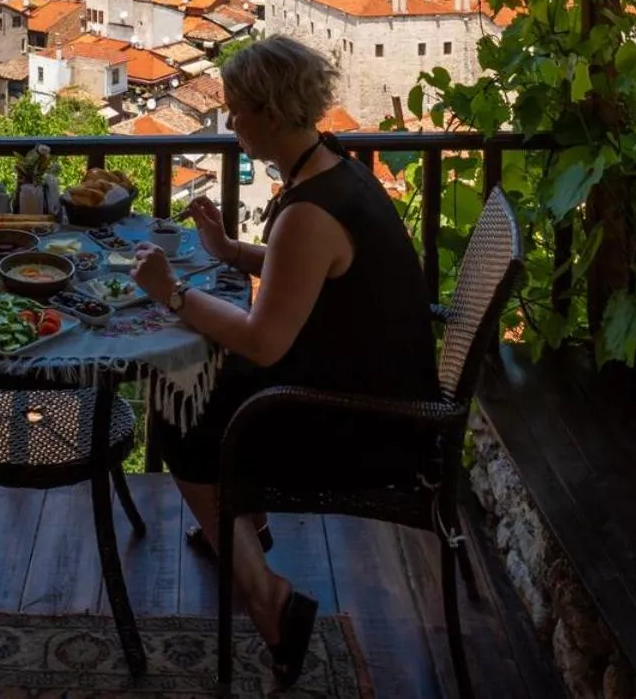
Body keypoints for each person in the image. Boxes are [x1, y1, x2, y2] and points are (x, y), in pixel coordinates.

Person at [133, 35, 439, 685]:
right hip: (377, 390)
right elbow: (296, 276)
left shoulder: (309, 209)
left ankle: (264, 592)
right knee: (198, 378)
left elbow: (262, 340)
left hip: (364, 423)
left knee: (177, 409)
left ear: (271, 112)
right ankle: (242, 522)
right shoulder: (332, 169)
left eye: (238, 109)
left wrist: (174, 292)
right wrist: (229, 251)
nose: (231, 121)